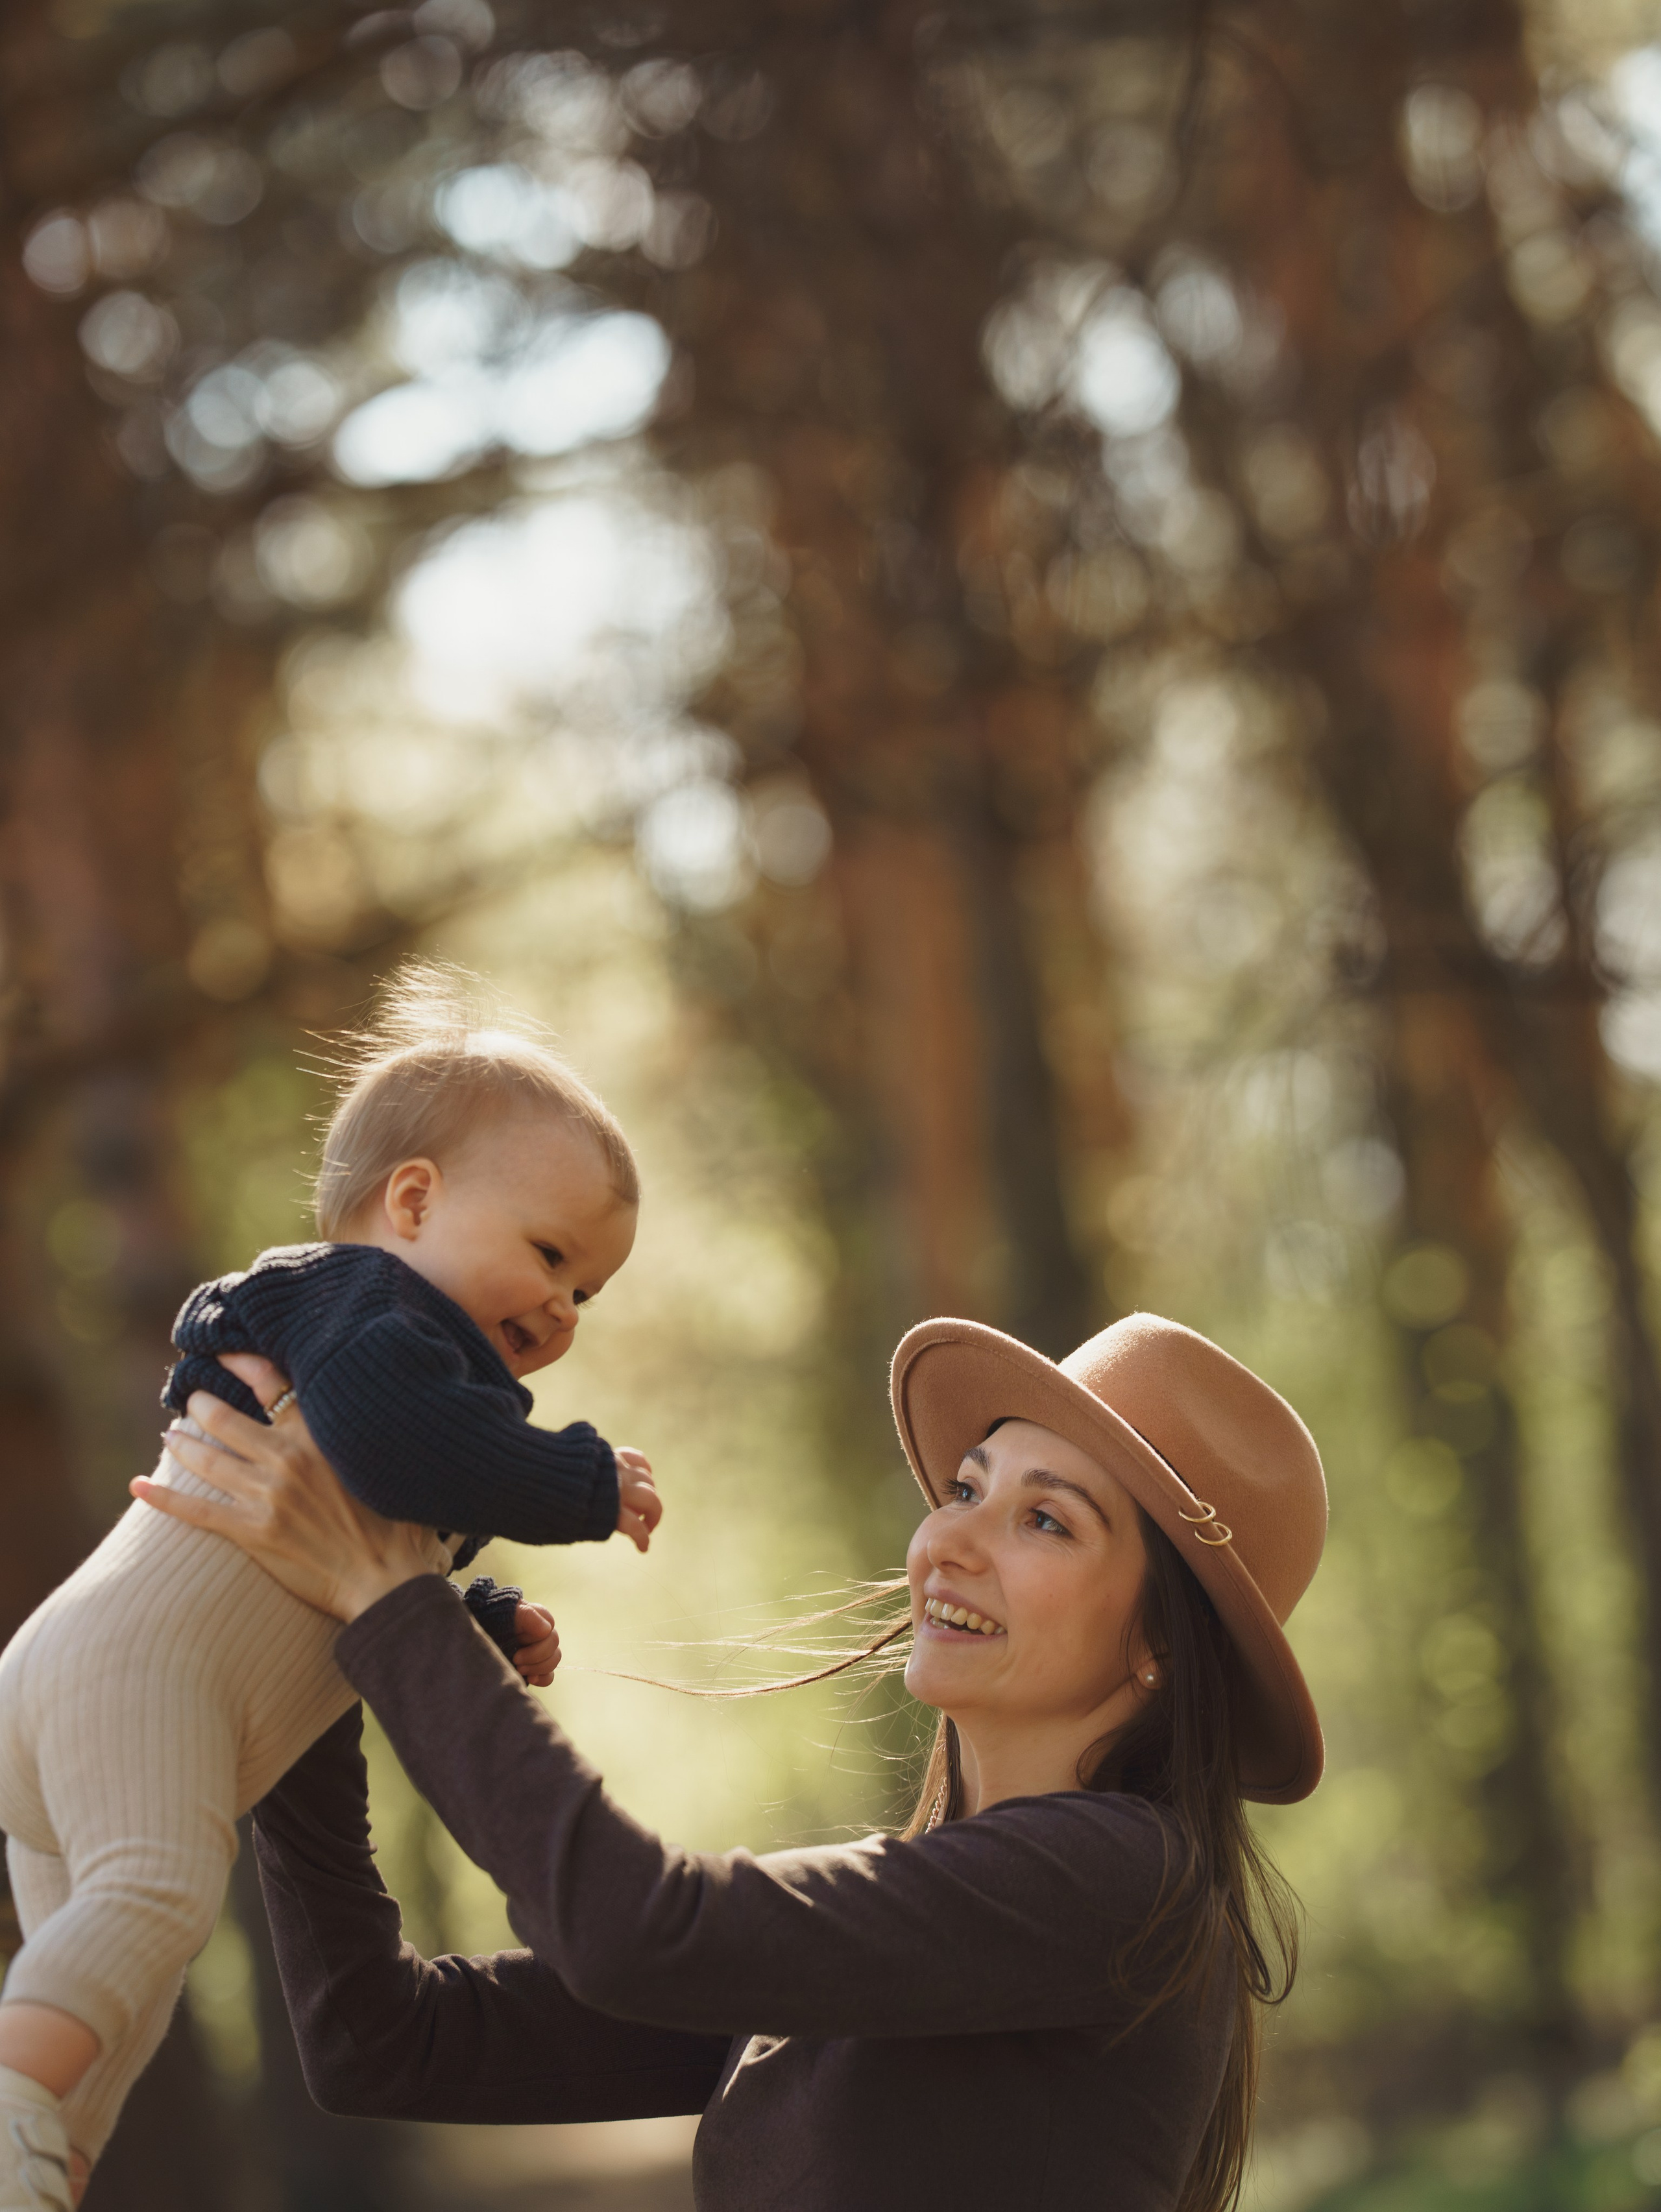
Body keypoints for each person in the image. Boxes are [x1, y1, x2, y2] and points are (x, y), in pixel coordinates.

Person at [138, 1308, 1329, 2212]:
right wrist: (308, 1639)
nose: (949, 1540)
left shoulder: (1125, 1883)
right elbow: (384, 2039)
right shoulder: (919, 1923)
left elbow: (632, 1926)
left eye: (1045, 1519)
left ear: (1165, 1643)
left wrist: (384, 1600)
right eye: (969, 1487)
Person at [0, 967, 661, 2209]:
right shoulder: (369, 1310)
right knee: (152, 1893)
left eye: (591, 1290)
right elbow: (400, 1450)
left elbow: (348, 1569)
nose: (567, 1307)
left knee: (118, 1988)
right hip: (139, 1681)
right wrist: (573, 1481)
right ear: (412, 1201)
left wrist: (470, 1619)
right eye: (551, 1253)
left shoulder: (378, 1370)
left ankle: (40, 2171)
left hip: (80, 1684)